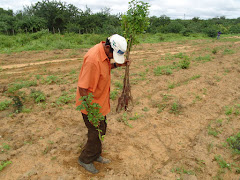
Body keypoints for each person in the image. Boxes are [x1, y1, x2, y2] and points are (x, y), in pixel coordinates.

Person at [76, 34, 128, 174]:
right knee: (95, 132)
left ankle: (95, 154)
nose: (112, 57)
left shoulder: (103, 54)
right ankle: (85, 159)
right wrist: (91, 111)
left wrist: (117, 64)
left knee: (102, 129)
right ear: (107, 47)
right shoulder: (93, 59)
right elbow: (82, 87)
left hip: (100, 102)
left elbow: (104, 68)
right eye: (113, 55)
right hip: (91, 105)